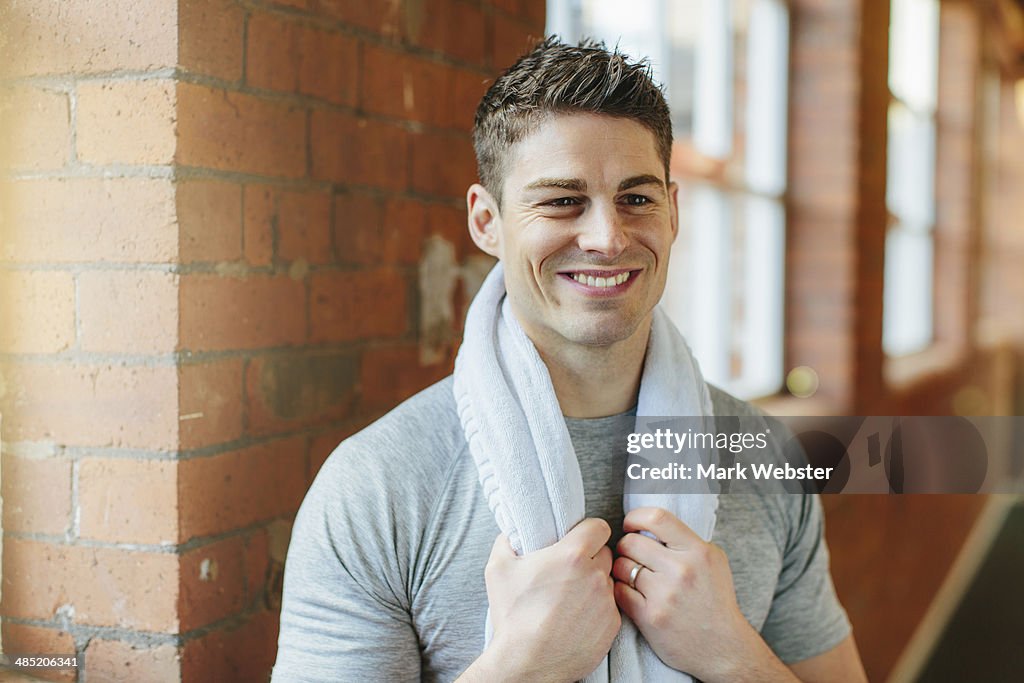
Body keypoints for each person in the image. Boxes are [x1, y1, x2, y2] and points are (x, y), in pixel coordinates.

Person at [272, 37, 868, 682]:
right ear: (486, 222)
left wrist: (729, 652)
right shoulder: (377, 485)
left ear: (674, 212)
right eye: (562, 200)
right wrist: (524, 665)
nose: (607, 237)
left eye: (637, 198)